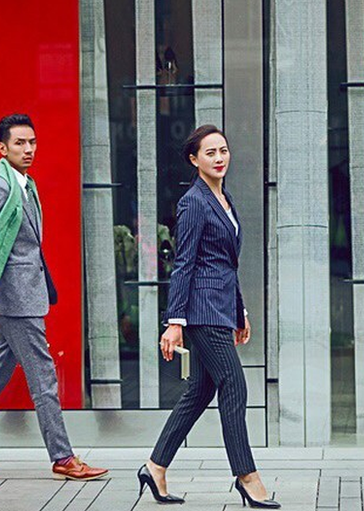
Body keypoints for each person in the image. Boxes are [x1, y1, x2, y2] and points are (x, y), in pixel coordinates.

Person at [0, 114, 108, 481]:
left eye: (32, 142)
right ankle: (63, 457)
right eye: (19, 143)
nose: (28, 149)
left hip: (25, 296)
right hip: (17, 301)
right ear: (2, 148)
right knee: (44, 376)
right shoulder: (1, 188)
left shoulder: (25, 185)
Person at [137, 125, 280, 508]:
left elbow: (224, 264)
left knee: (200, 391)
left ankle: (155, 467)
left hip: (220, 307)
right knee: (234, 385)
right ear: (194, 159)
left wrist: (240, 310)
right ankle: (247, 477)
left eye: (223, 150)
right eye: (210, 152)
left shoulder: (224, 198)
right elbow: (185, 264)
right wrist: (174, 321)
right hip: (201, 311)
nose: (219, 158)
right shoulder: (194, 202)